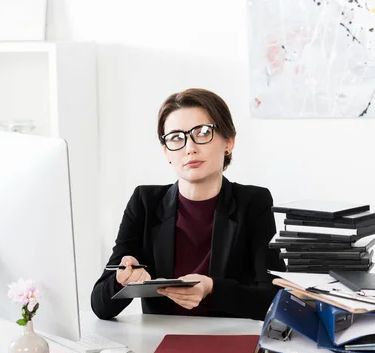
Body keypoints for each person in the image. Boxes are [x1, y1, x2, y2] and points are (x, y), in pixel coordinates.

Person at [91, 88, 284, 321]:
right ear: (166, 152)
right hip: (161, 342)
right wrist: (121, 280)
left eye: (202, 133)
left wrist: (212, 289)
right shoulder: (145, 203)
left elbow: (274, 300)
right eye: (176, 138)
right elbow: (100, 306)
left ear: (229, 142)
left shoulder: (253, 203)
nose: (189, 148)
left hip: (228, 341)